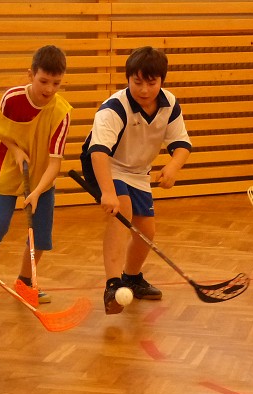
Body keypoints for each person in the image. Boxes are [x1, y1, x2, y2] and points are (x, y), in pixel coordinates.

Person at [80, 46, 191, 314]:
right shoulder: (114, 109)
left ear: (162, 80)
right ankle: (112, 285)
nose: (143, 90)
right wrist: (107, 192)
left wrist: (173, 167)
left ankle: (132, 278)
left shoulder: (169, 104)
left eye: (151, 83)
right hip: (106, 164)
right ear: (128, 79)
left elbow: (182, 143)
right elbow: (98, 152)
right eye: (137, 82)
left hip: (138, 170)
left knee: (146, 231)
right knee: (123, 212)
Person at [0, 45, 72, 304]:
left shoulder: (62, 113)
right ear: (31, 75)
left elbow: (55, 163)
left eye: (56, 83)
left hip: (42, 180)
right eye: (43, 81)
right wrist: (14, 149)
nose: (49, 89)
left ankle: (25, 282)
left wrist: (37, 191)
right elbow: (0, 129)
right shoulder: (12, 99)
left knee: (40, 235)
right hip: (8, 169)